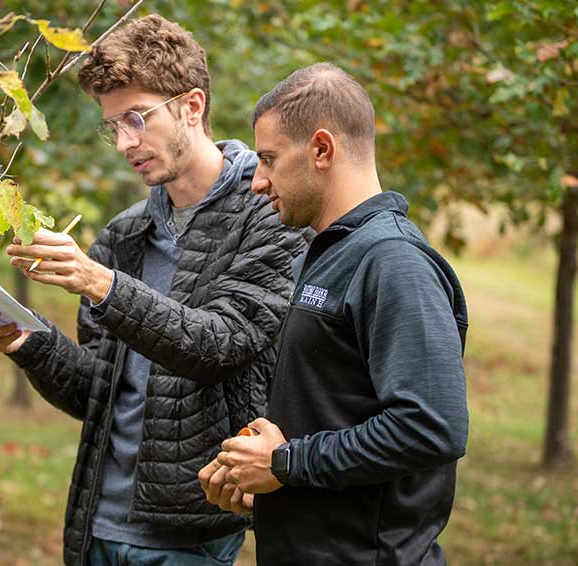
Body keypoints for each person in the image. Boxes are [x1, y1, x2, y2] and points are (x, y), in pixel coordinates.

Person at [0, 15, 307, 566]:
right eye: (113, 125)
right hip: (96, 523)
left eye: (136, 118)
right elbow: (94, 395)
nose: (125, 142)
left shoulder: (268, 213)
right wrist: (29, 343)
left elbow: (221, 346)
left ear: (191, 106)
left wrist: (101, 284)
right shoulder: (124, 236)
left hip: (189, 533)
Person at [198, 63, 469, 565]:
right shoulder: (323, 254)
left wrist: (287, 462)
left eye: (269, 159)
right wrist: (266, 479)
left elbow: (432, 426)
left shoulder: (394, 261)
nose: (258, 182)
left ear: (322, 149)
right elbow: (335, 411)